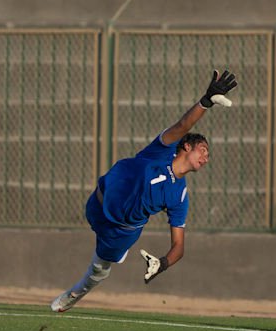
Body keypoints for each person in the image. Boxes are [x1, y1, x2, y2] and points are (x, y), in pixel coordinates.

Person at [51, 69, 238, 312]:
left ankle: (75, 294)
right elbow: (183, 124)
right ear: (187, 146)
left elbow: (179, 246)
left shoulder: (180, 196)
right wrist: (206, 101)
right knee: (99, 213)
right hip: (98, 204)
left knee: (100, 269)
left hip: (122, 231)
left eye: (208, 155)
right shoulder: (163, 150)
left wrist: (163, 263)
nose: (206, 157)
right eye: (203, 149)